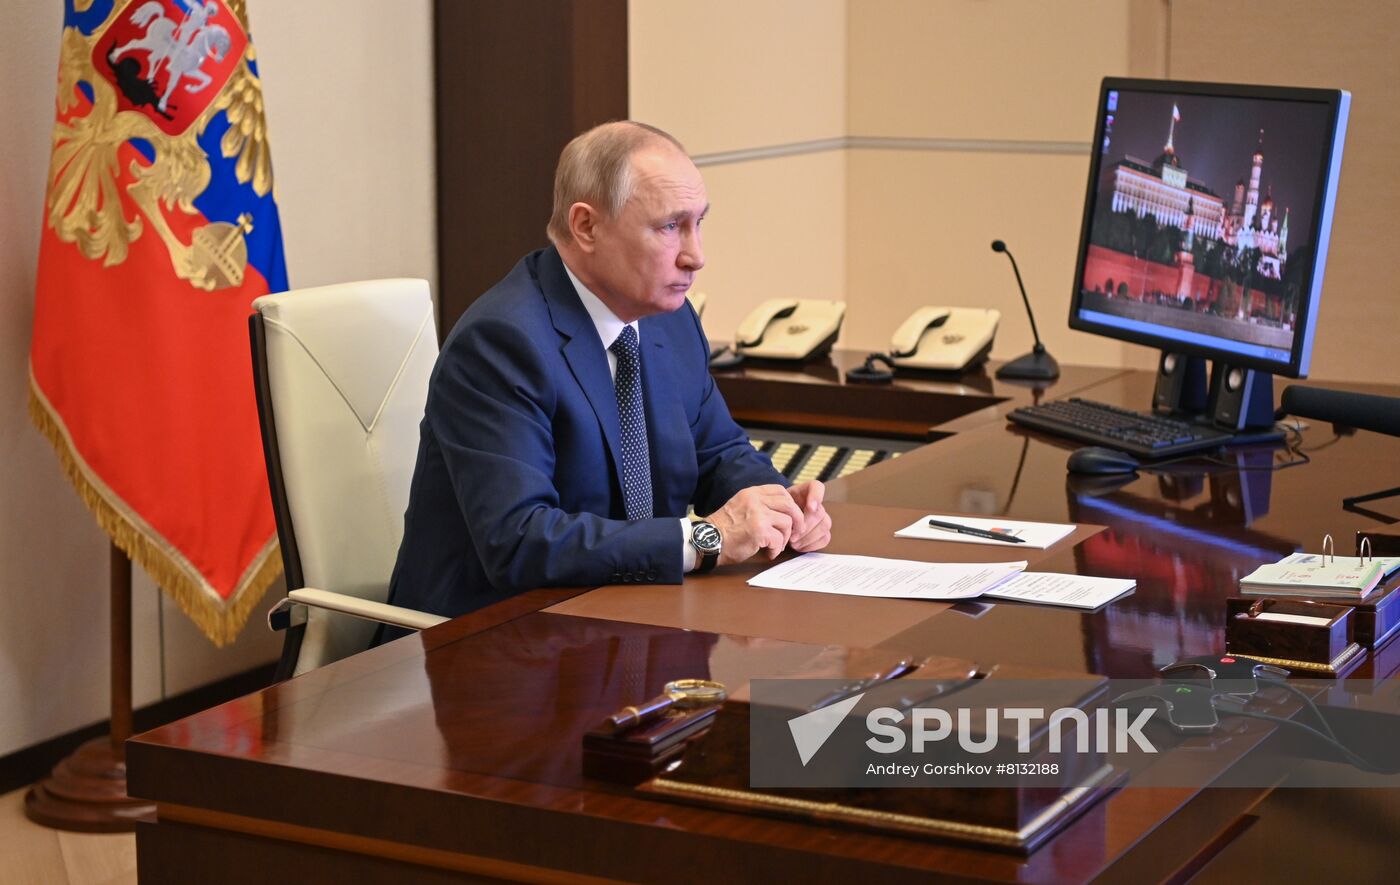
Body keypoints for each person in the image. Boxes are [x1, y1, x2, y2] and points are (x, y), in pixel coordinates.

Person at [385, 120, 832, 619]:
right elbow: (519, 540)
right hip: (492, 631)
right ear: (586, 226)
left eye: (698, 223)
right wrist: (707, 538)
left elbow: (717, 453)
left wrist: (778, 507)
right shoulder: (502, 342)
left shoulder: (670, 320)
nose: (696, 256)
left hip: (629, 614)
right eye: (670, 227)